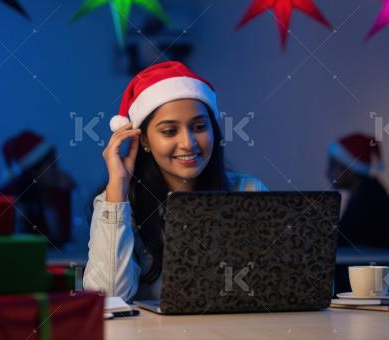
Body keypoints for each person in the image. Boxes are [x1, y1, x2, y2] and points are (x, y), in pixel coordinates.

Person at [84, 61, 267, 302]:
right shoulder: (118, 200)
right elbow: (107, 298)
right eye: (169, 131)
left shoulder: (248, 191)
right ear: (145, 141)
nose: (189, 143)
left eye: (199, 127)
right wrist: (118, 187)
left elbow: (275, 285)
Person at [328, 133, 389, 250]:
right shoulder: (367, 189)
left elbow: (346, 239)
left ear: (352, 169)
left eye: (334, 166)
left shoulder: (368, 197)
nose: (328, 172)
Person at [0, 130, 75, 247]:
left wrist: (70, 195)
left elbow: (64, 240)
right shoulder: (8, 199)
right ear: (33, 172)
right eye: (52, 166)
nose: (57, 172)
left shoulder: (57, 195)